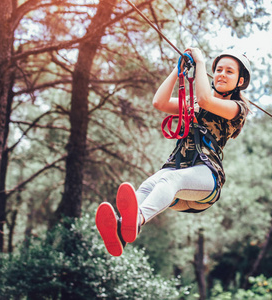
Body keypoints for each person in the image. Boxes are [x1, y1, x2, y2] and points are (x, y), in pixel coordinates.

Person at [95, 47, 252, 256]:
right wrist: (177, 70)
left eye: (229, 71)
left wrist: (200, 63)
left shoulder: (237, 109)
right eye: (219, 70)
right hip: (179, 183)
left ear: (240, 81)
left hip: (206, 176)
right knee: (147, 186)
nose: (222, 74)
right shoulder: (195, 104)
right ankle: (121, 230)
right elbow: (159, 102)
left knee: (169, 180)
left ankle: (137, 220)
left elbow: (206, 100)